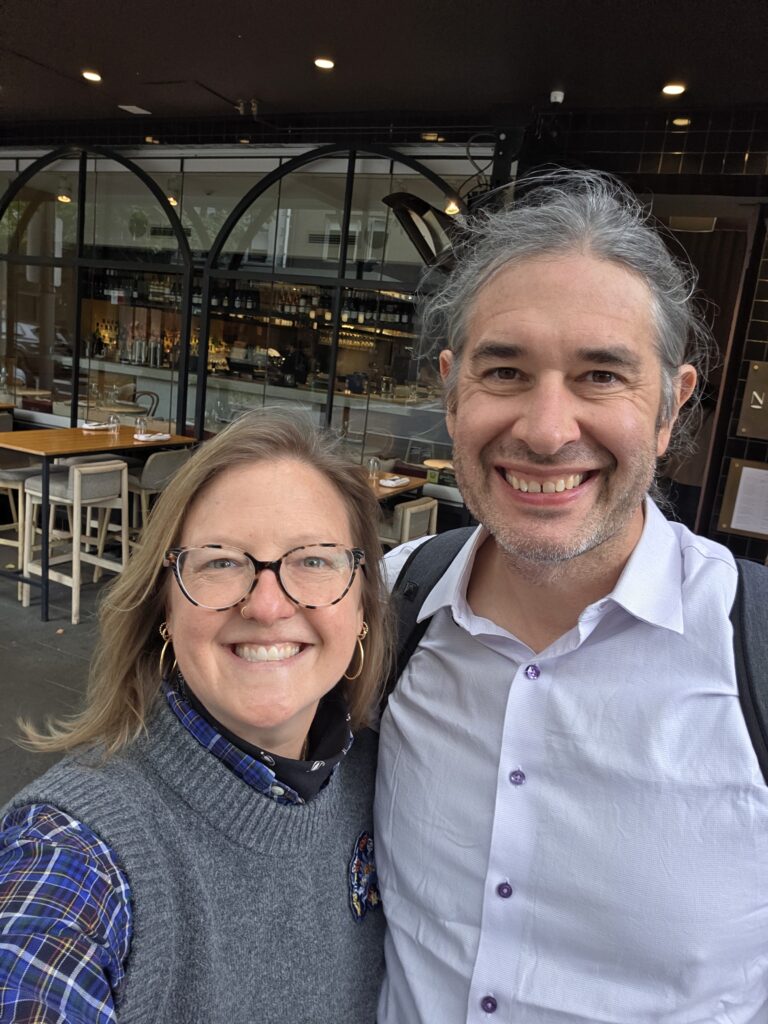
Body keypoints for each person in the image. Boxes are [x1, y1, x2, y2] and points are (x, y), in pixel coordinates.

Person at [375, 171, 768, 1022]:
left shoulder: (756, 652)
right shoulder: (384, 604)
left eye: (600, 376)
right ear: (452, 391)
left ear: (670, 405)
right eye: (505, 371)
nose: (547, 431)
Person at [0, 409, 390, 1024]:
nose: (267, 606)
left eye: (314, 561)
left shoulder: (378, 774)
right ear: (165, 607)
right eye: (221, 562)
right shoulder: (75, 850)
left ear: (362, 605)